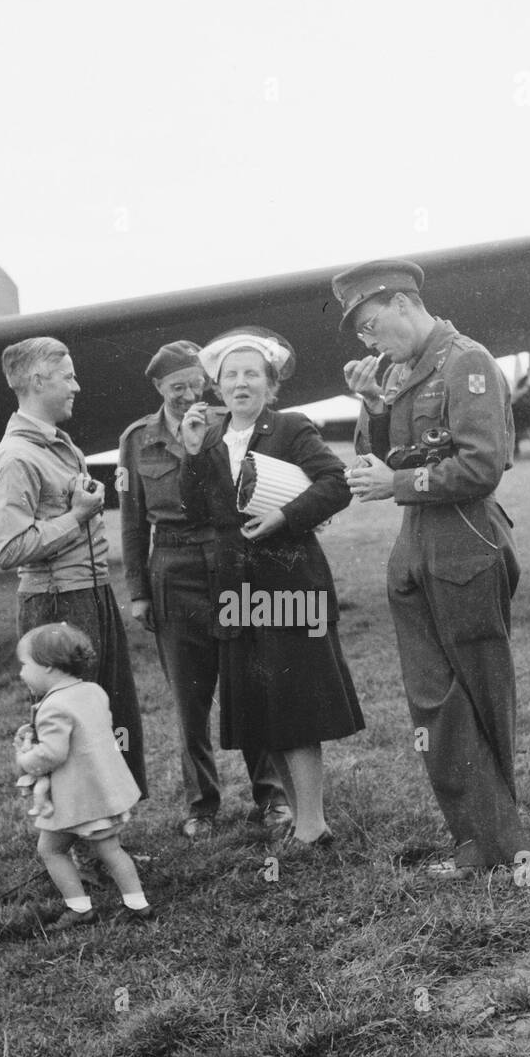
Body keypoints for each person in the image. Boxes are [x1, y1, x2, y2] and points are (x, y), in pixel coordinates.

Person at [335, 259, 526, 879]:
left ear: (401, 303)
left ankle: (495, 842)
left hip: (465, 539)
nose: (370, 342)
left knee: (479, 691)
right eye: (362, 335)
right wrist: (371, 404)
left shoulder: (468, 361)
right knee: (432, 701)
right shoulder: (396, 372)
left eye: (371, 326)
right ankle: (477, 838)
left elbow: (481, 467)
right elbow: (375, 459)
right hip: (416, 546)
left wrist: (399, 482)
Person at [177, 327, 363, 850]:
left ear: (270, 384)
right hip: (236, 587)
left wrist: (285, 516)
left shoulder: (290, 427)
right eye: (230, 375)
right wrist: (192, 455)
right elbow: (195, 513)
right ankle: (307, 820)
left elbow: (336, 483)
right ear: (217, 386)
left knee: (294, 702)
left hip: (288, 581)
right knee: (263, 706)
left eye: (251, 374)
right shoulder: (209, 440)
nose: (241, 383)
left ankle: (312, 822)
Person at [119, 340, 289, 839]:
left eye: (197, 383)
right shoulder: (136, 440)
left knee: (249, 682)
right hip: (171, 569)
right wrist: (138, 592)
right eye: (177, 388)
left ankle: (272, 796)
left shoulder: (224, 423)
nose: (189, 394)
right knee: (189, 701)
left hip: (229, 560)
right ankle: (202, 806)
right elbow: (131, 523)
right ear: (158, 388)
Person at [0, 336, 147, 798]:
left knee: (107, 716)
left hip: (90, 593)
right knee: (69, 726)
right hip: (57, 602)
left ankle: (104, 833)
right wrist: (76, 516)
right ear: (37, 380)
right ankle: (71, 848)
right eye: (68, 376)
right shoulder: (17, 457)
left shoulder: (61, 445)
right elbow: (8, 550)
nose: (76, 386)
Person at [14, 623, 151, 927]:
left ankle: (80, 909)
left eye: (25, 665)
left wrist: (25, 756)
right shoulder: (93, 692)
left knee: (50, 850)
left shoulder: (53, 707)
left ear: (48, 667)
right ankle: (138, 904)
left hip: (76, 801)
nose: (21, 673)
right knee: (112, 850)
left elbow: (52, 754)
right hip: (103, 793)